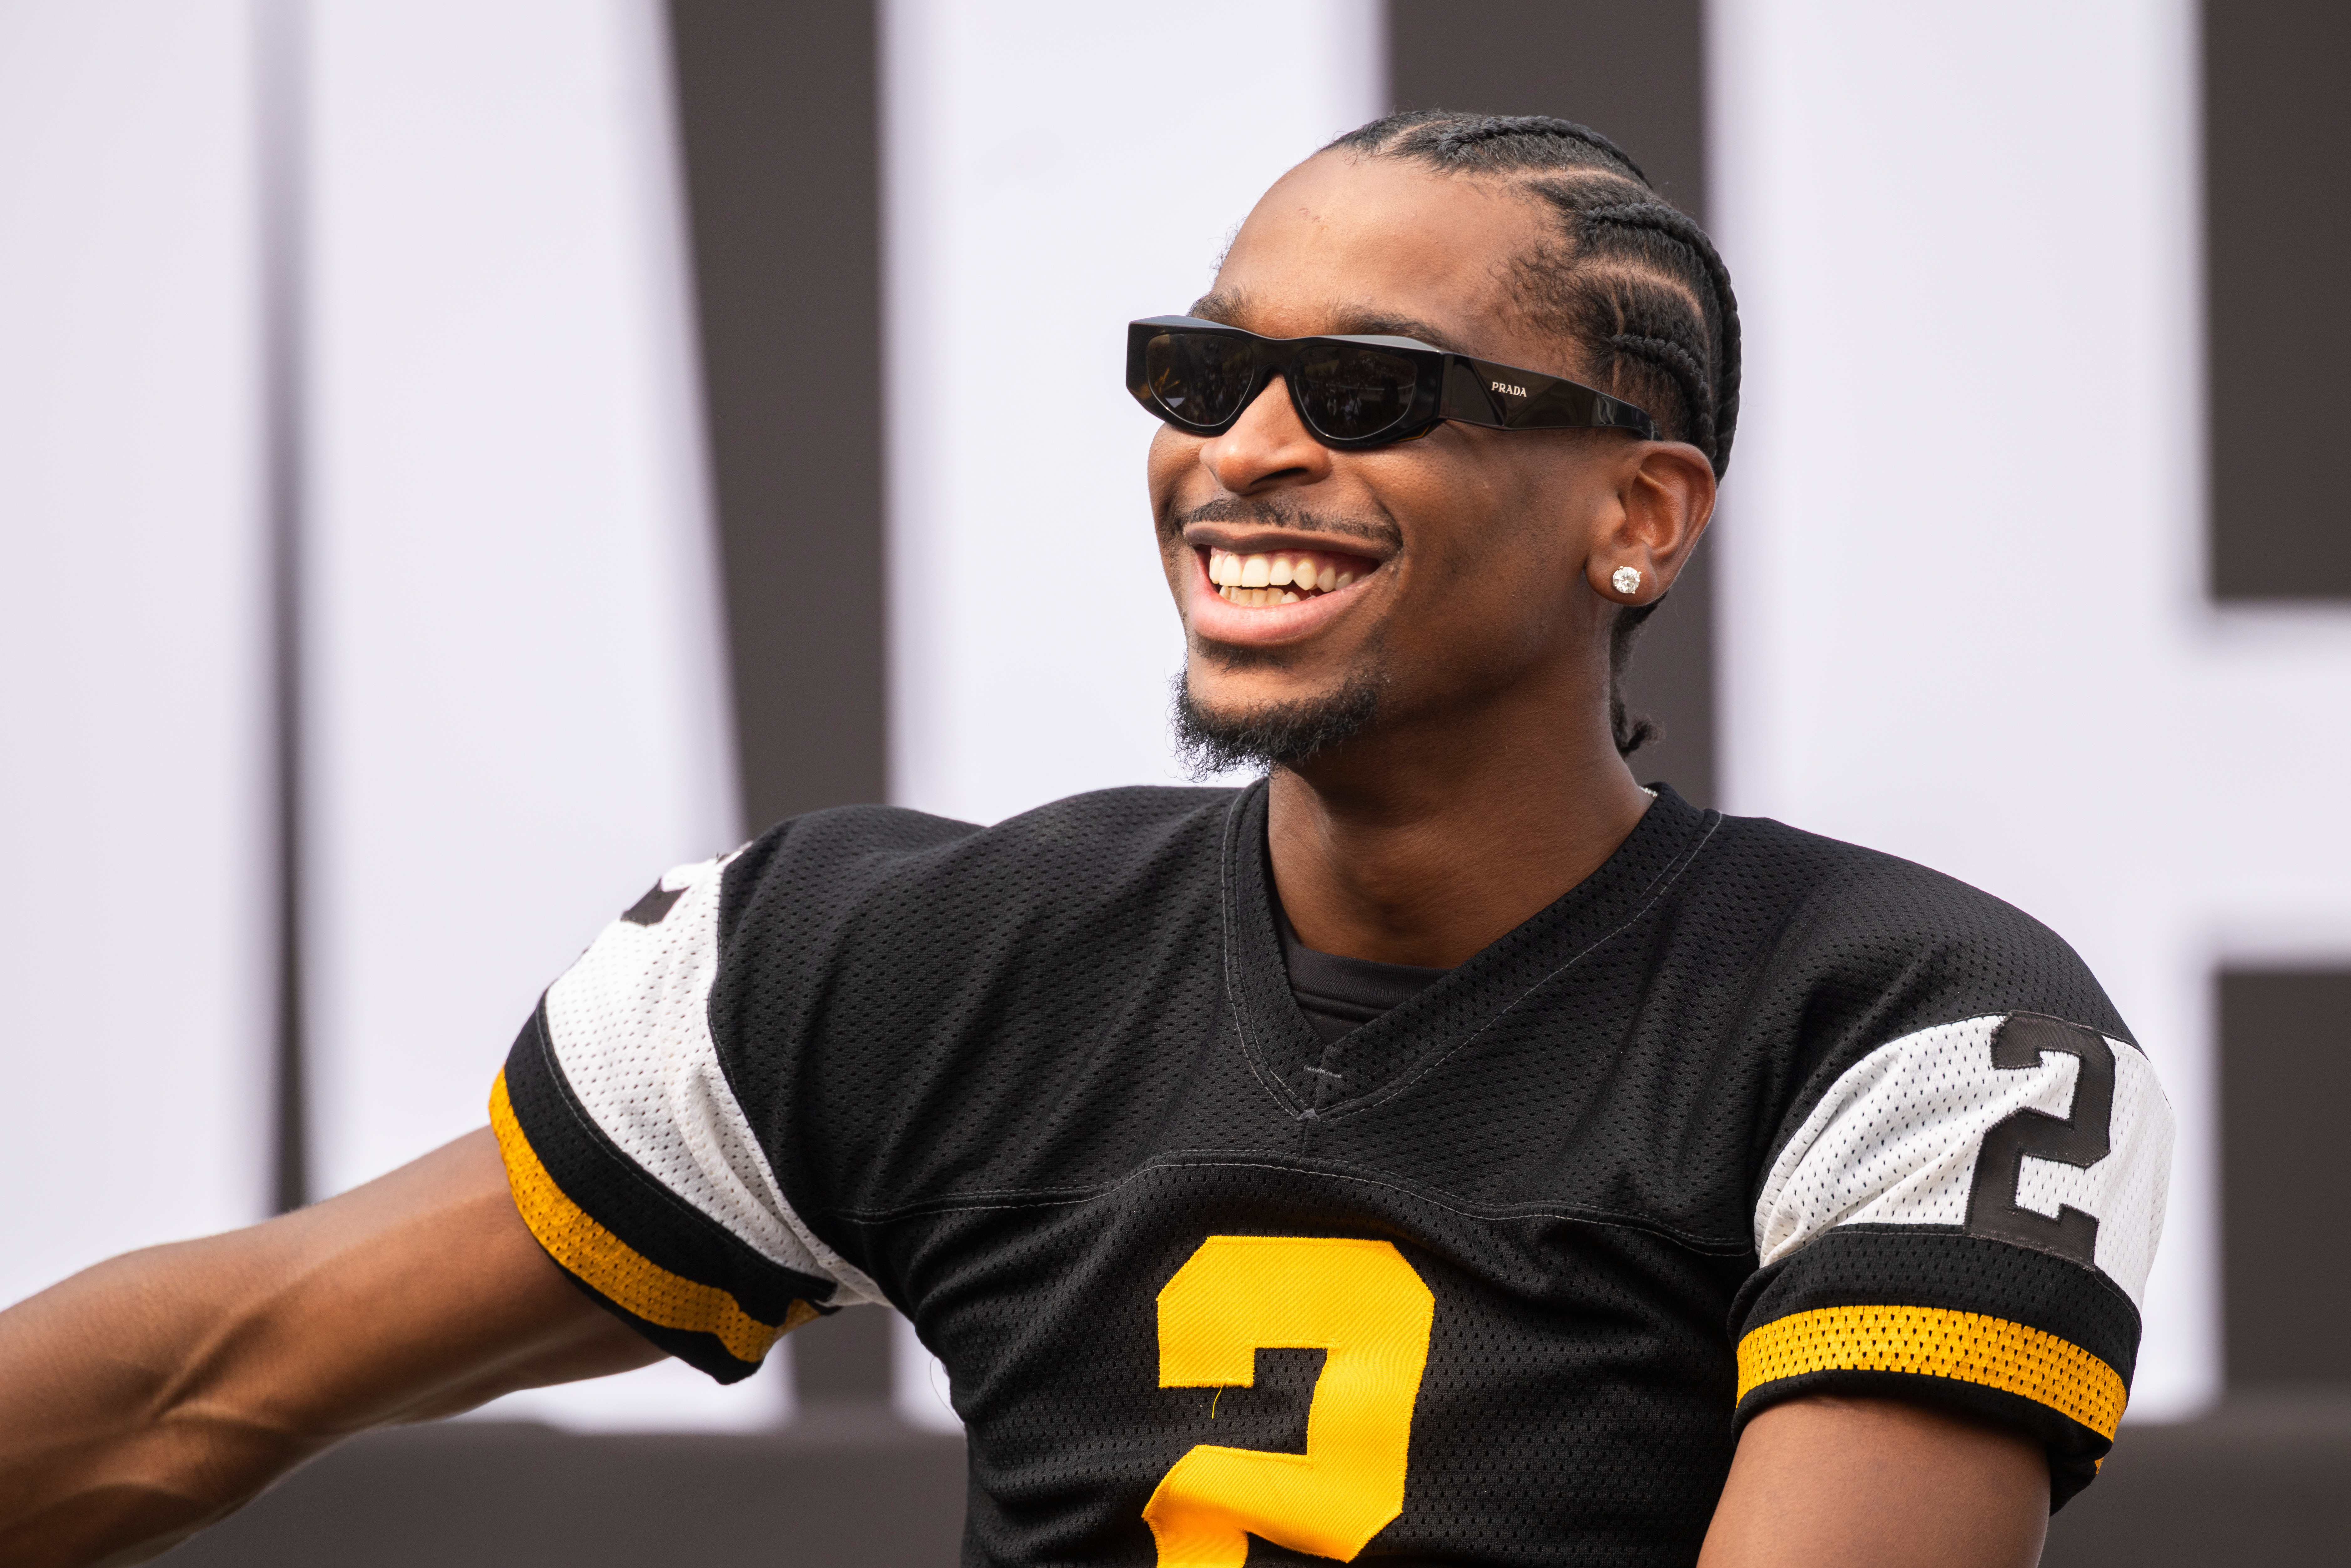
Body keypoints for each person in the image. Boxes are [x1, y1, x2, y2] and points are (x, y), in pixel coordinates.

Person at [0, 111, 2171, 1568]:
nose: (1243, 448)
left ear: (1638, 510)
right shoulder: (904, 955)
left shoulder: (1910, 1029)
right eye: (1203, 369)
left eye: (1372, 391)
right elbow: (202, 1380)